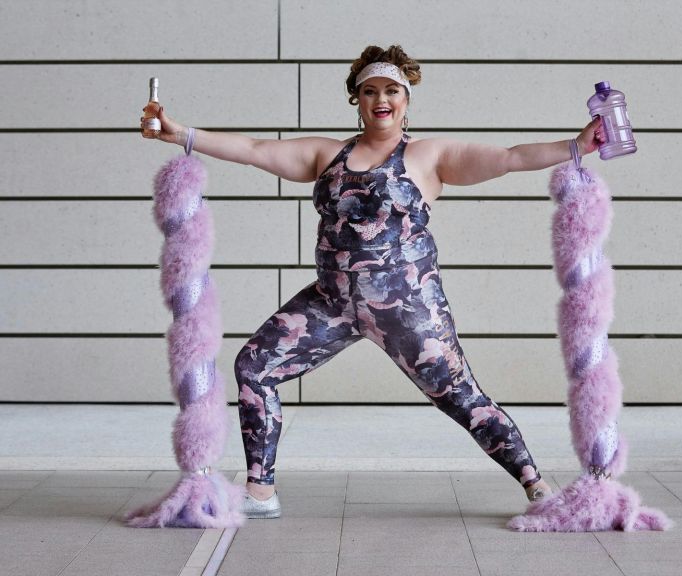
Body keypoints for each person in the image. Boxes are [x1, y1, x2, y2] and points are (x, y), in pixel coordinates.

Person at [141, 44, 605, 519]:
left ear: (406, 98)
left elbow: (510, 157)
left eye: (390, 90)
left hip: (409, 310)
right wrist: (182, 135)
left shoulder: (429, 156)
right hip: (331, 303)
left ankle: (536, 484)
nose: (380, 99)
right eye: (369, 91)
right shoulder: (326, 153)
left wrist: (575, 146)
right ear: (356, 100)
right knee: (254, 367)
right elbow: (255, 150)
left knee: (463, 398)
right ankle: (260, 491)